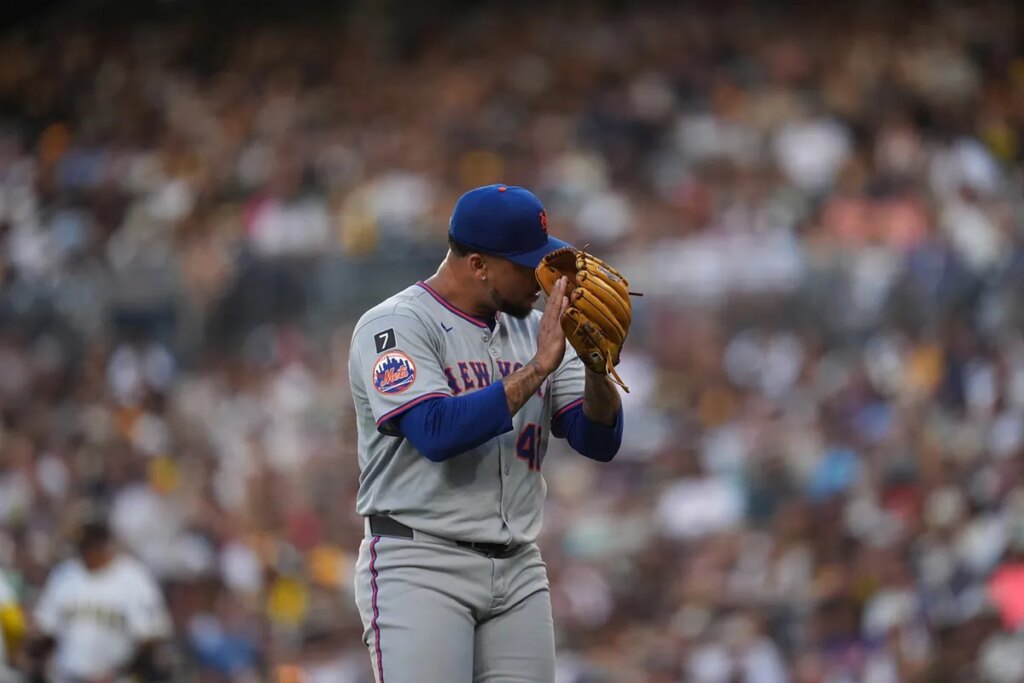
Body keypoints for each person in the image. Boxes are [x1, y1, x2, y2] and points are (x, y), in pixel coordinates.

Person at [347, 183, 625, 682]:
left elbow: (598, 440)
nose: (541, 278)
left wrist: (597, 368)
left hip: (518, 568)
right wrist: (537, 369)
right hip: (420, 562)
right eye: (525, 266)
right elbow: (435, 432)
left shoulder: (537, 327)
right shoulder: (395, 324)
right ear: (478, 264)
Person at [25, 514, 175, 683]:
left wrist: (118, 672)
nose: (87, 550)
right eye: (83, 544)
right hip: (68, 677)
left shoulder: (134, 578)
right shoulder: (64, 574)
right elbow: (46, 631)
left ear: (105, 542)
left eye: (92, 543)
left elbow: (152, 639)